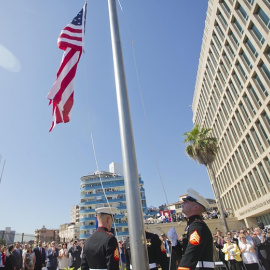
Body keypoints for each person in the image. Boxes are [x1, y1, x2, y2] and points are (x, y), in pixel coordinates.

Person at [178, 188, 214, 270]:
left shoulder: (197, 225)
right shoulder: (192, 224)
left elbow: (192, 252)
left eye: (186, 201)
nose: (183, 203)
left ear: (195, 207)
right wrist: (174, 244)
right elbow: (184, 252)